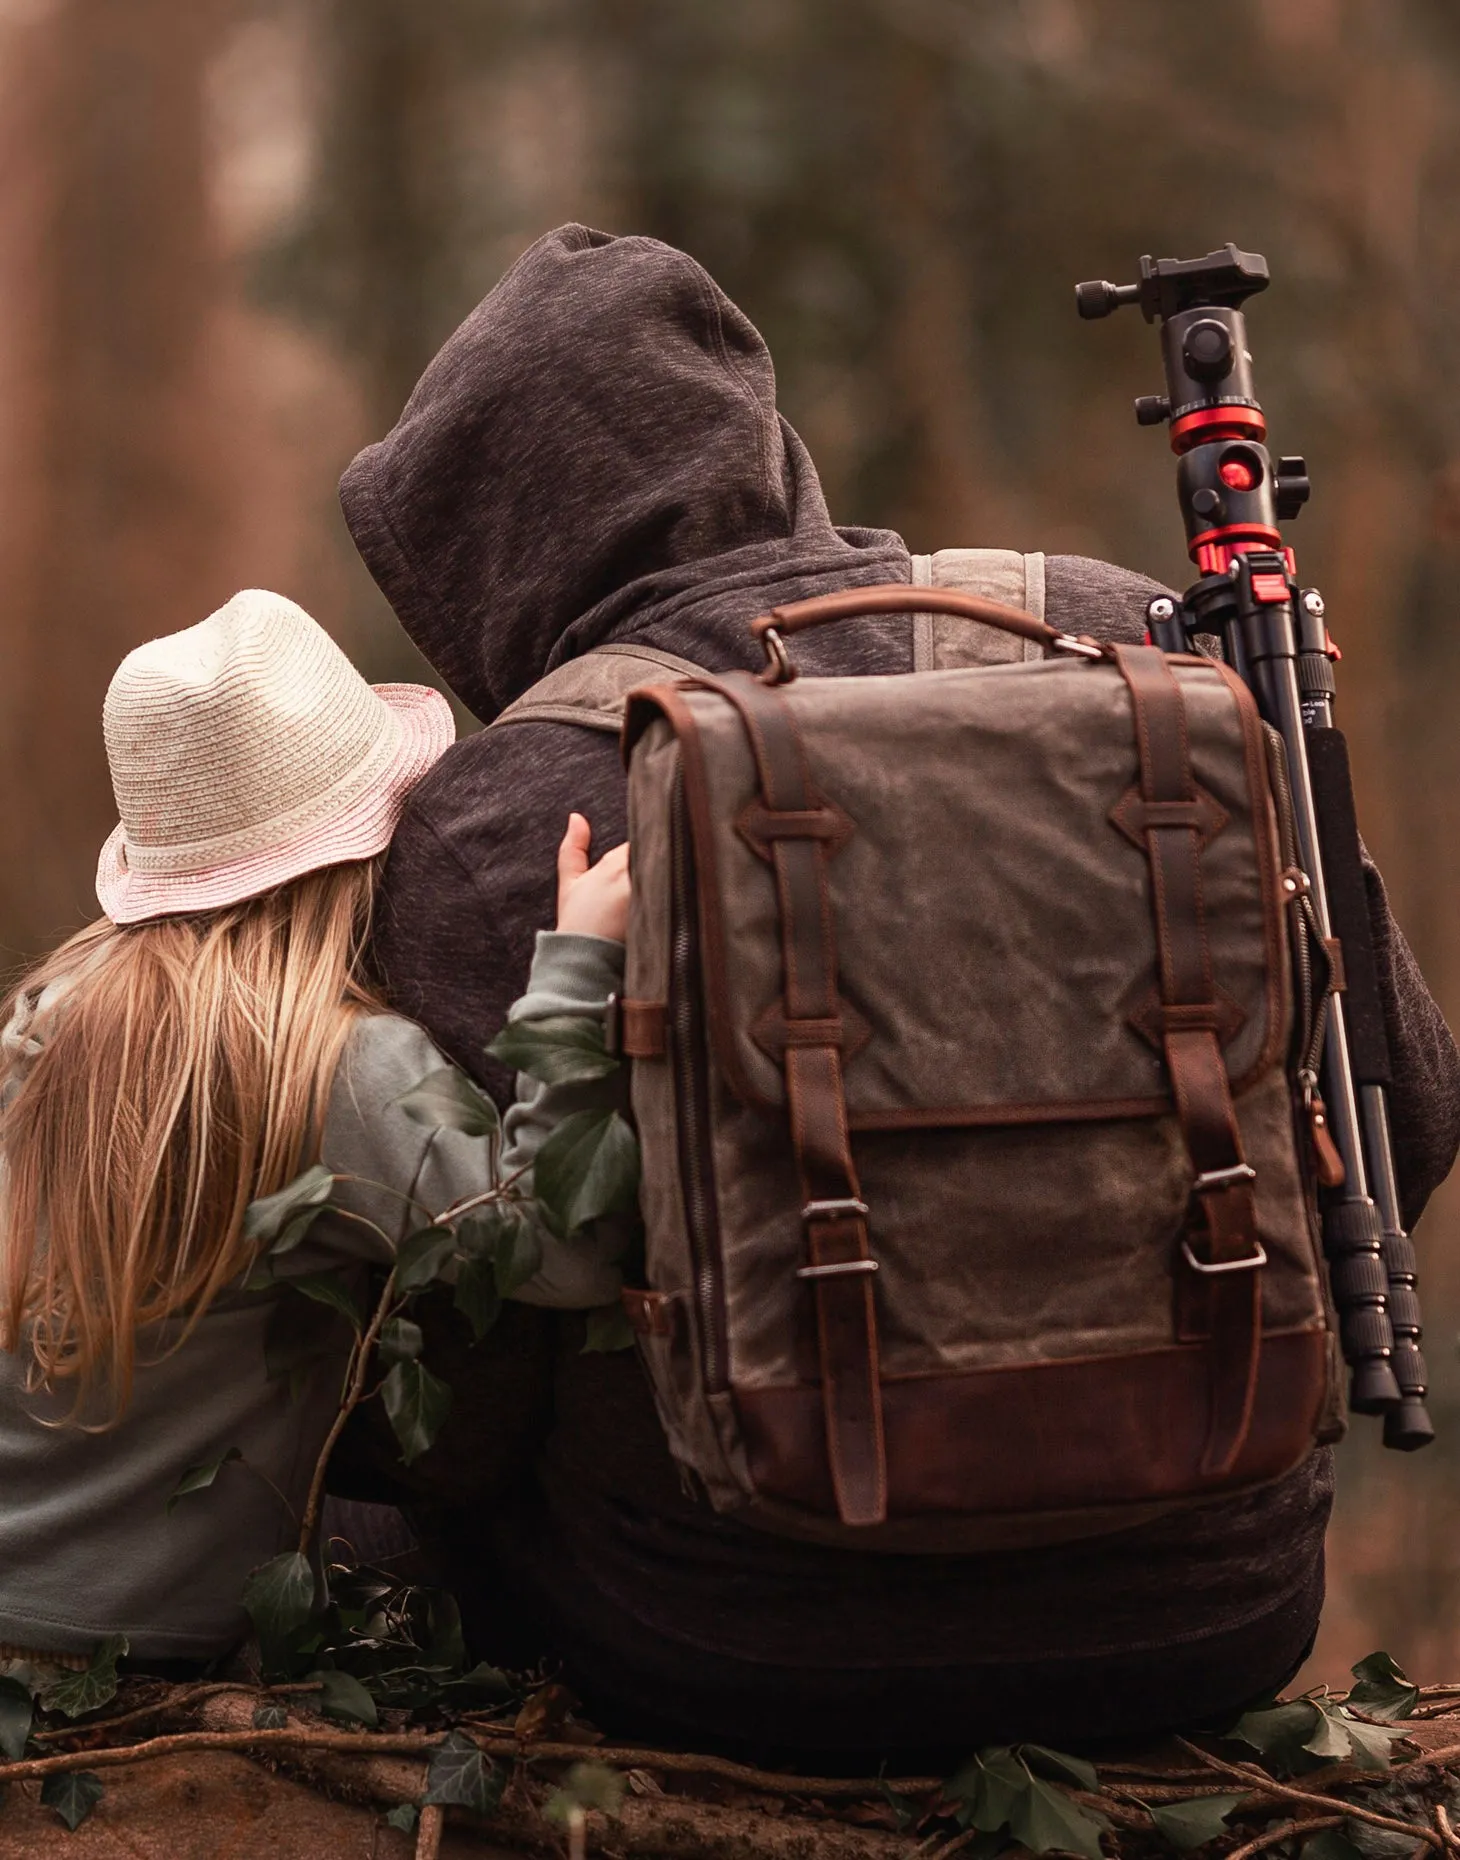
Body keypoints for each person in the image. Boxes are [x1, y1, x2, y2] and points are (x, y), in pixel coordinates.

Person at [339, 224, 1460, 1758]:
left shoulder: (495, 813)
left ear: (489, 547)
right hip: (1210, 1604)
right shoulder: (1145, 642)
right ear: (765, 452)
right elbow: (1413, 1098)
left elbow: (464, 1393)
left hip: (727, 1643)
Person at [0, 589, 625, 1668]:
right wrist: (577, 969)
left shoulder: (45, 1018)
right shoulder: (329, 1064)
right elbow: (562, 1253)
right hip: (133, 1649)